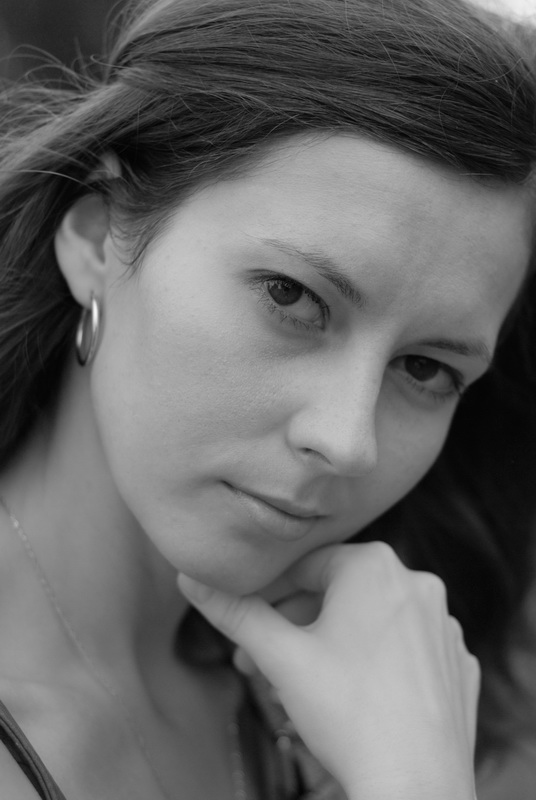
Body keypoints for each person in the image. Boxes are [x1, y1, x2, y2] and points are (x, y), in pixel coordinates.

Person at [0, 0, 535, 797]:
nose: (348, 441)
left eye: (425, 369)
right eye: (292, 297)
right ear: (97, 236)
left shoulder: (355, 711)